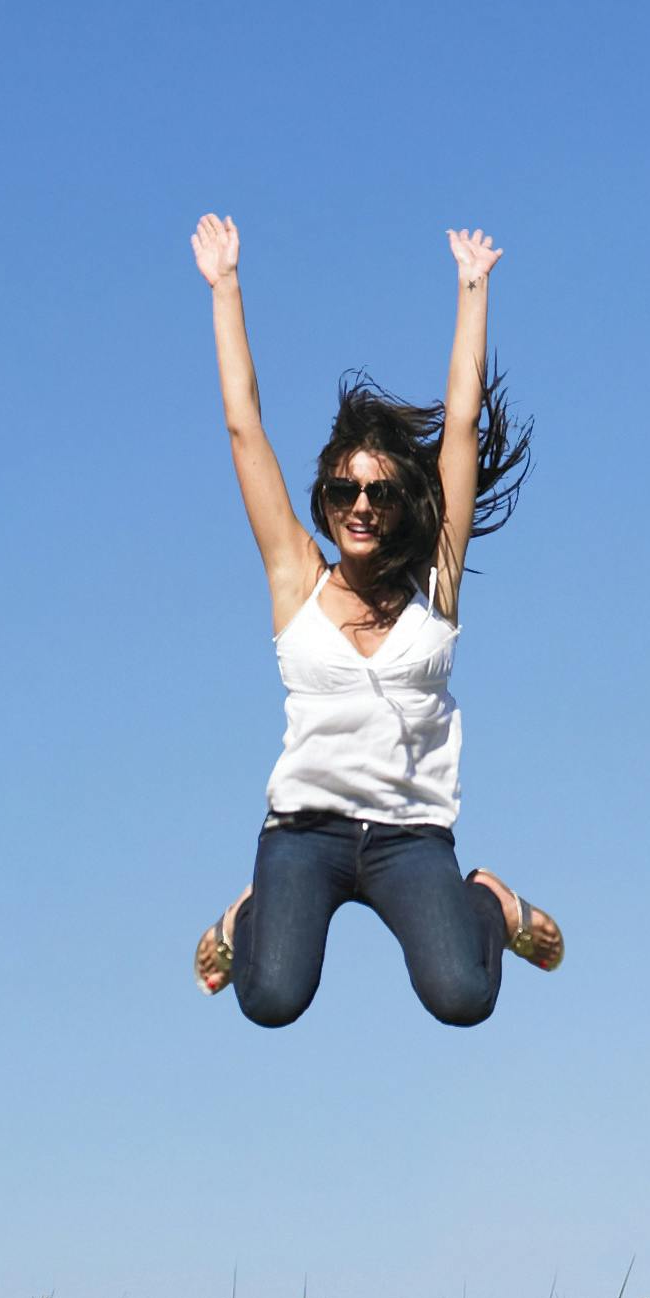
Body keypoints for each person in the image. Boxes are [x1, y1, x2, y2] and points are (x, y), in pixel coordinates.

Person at [179, 215, 564, 1026]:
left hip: (409, 836)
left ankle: (489, 903)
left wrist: (473, 289)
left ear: (399, 506)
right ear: (324, 502)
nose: (360, 505)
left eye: (379, 492)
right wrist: (225, 288)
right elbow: (244, 426)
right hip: (303, 833)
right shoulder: (296, 577)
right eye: (344, 490)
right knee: (271, 998)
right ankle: (247, 917)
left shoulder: (436, 584)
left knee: (463, 996)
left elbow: (461, 429)